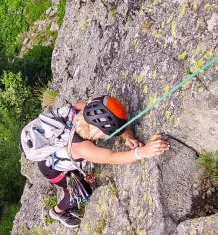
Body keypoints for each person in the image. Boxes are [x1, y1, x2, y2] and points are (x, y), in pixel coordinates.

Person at [41, 95, 169, 227]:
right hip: (52, 170)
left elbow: (109, 119)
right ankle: (57, 212)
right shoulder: (82, 148)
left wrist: (127, 135)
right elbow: (112, 157)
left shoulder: (81, 110)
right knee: (81, 192)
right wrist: (144, 152)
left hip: (53, 150)